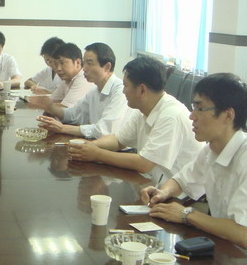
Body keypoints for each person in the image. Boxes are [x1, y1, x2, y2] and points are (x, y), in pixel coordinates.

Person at [141, 73, 247, 265]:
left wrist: (186, 214)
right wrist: (162, 192)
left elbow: (245, 235)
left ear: (228, 115)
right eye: (193, 107)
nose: (192, 116)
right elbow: (182, 180)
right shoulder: (212, 149)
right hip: (229, 254)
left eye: (200, 108)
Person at [68, 56, 202, 183]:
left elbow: (144, 163)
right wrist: (89, 146)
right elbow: (118, 140)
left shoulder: (171, 116)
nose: (123, 91)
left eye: (126, 86)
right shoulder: (144, 110)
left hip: (181, 194)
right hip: (155, 186)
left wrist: (97, 154)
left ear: (142, 90)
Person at [36, 42, 131, 139]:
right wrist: (50, 107)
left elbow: (104, 130)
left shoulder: (120, 91)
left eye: (89, 63)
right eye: (84, 62)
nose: (84, 68)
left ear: (107, 67)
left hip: (115, 147)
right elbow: (73, 115)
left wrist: (63, 128)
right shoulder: (94, 91)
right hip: (97, 143)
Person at [29, 42, 92, 109]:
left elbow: (65, 107)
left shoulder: (83, 78)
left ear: (77, 62)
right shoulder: (66, 80)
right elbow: (52, 100)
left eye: (62, 63)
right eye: (56, 64)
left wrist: (40, 104)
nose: (58, 68)